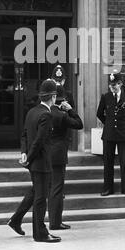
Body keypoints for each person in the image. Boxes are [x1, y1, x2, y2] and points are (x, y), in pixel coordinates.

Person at [7, 79, 61, 243]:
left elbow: (24, 135)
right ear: (52, 97)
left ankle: (16, 220)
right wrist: (28, 157)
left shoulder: (31, 112)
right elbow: (39, 141)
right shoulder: (46, 114)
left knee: (35, 191)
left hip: (33, 162)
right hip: (41, 163)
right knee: (40, 198)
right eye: (55, 96)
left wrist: (24, 153)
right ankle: (40, 233)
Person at [97, 71, 125, 197]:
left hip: (123, 134)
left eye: (115, 85)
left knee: (124, 162)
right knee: (108, 161)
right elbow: (99, 114)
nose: (113, 87)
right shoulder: (106, 97)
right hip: (109, 134)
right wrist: (108, 124)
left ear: (120, 84)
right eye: (111, 85)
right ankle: (108, 188)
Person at [48, 85, 83, 230]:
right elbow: (79, 124)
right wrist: (70, 110)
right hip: (58, 155)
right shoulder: (62, 115)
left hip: (45, 154)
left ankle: (53, 221)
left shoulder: (43, 112)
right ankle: (55, 222)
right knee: (57, 189)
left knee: (49, 189)